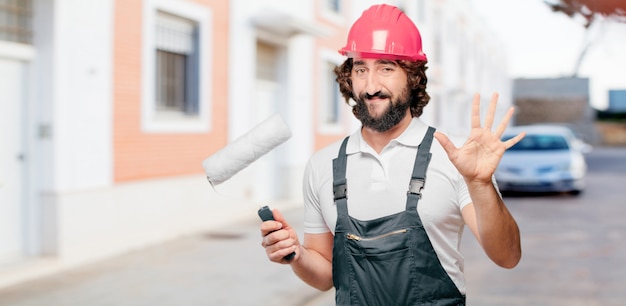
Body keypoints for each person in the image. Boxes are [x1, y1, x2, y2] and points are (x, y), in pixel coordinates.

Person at [260, 4, 524, 305]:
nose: (371, 85)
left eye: (386, 67)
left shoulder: (456, 158)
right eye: (361, 69)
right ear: (349, 77)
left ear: (412, 77)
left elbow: (507, 256)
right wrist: (296, 254)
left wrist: (480, 184)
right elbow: (324, 276)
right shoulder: (323, 165)